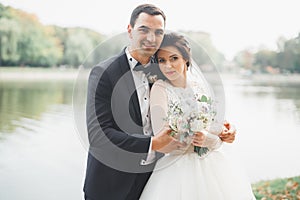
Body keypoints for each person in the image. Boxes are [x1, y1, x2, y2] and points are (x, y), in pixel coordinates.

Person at [83, 4, 236, 200]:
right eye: (144, 29)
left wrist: (220, 130)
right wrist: (152, 143)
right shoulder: (105, 72)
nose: (151, 38)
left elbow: (190, 104)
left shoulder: (165, 68)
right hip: (112, 183)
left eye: (158, 32)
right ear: (130, 30)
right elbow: (99, 136)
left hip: (156, 180)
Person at [139, 32, 256, 200]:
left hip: (214, 163)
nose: (168, 66)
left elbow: (211, 120)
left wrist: (226, 130)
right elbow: (162, 140)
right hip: (178, 168)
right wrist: (212, 141)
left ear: (186, 58)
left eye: (174, 58)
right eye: (162, 61)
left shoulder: (198, 83)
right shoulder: (160, 88)